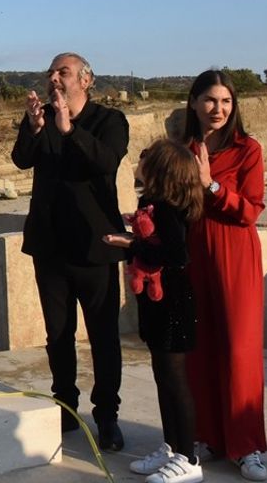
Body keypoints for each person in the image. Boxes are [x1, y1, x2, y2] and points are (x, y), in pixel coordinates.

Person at [11, 52, 129, 451]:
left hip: (95, 247)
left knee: (103, 335)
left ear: (85, 80)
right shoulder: (40, 116)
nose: (54, 78)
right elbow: (21, 159)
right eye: (50, 73)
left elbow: (105, 162)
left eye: (63, 71)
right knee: (58, 335)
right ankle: (65, 406)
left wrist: (68, 129)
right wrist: (34, 127)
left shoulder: (109, 121)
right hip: (50, 247)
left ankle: (107, 415)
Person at [182, 70, 267, 481]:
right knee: (200, 348)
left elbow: (251, 210)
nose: (218, 109)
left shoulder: (248, 149)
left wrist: (211, 186)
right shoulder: (182, 148)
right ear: (194, 102)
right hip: (193, 254)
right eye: (210, 100)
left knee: (239, 348)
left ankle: (246, 444)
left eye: (226, 101)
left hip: (235, 254)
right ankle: (206, 437)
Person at [104, 139, 205, 483]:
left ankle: (189, 459)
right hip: (157, 303)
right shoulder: (151, 203)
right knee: (162, 376)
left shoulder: (167, 207)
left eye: (147, 158)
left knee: (175, 380)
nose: (141, 161)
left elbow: (176, 255)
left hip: (174, 304)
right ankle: (171, 446)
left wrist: (133, 243)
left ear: (161, 170)